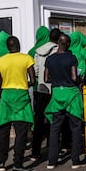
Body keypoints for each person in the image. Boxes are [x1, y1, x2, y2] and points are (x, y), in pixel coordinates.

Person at [0, 36, 35, 171]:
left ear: (8, 47)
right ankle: (18, 164)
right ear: (18, 45)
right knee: (21, 133)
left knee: (3, 131)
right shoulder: (26, 58)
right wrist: (23, 84)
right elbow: (33, 80)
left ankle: (0, 163)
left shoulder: (1, 60)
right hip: (21, 96)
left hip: (5, 97)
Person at [44, 33, 85, 169]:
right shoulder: (71, 58)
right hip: (71, 94)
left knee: (55, 128)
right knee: (76, 127)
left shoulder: (50, 59)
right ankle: (75, 160)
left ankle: (52, 161)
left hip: (56, 94)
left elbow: (46, 78)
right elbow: (74, 77)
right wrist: (80, 79)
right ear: (67, 44)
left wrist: (57, 79)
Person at [30, 28, 61, 161]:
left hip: (41, 89)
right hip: (54, 89)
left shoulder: (36, 51)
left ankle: (35, 152)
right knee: (54, 119)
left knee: (38, 119)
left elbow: (35, 71)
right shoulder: (58, 50)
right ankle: (52, 148)